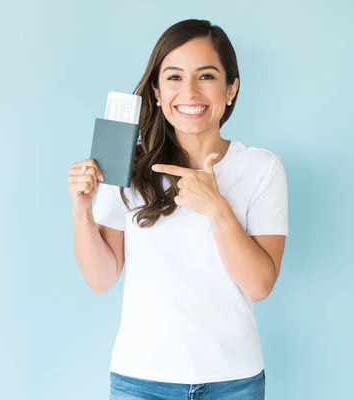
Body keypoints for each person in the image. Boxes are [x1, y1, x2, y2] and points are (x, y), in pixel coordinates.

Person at [68, 19, 288, 400]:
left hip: (233, 381)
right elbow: (101, 279)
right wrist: (81, 211)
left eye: (206, 76)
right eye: (173, 77)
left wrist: (216, 208)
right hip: (141, 380)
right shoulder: (126, 168)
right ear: (156, 90)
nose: (189, 91)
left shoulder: (262, 168)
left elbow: (259, 285)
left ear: (231, 88)